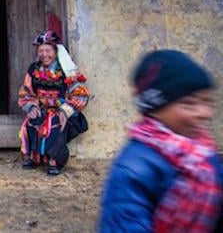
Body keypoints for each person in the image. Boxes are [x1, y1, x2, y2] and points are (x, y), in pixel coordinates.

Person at [99, 50, 223, 232]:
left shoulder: (203, 153)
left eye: (207, 101)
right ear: (155, 108)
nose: (204, 113)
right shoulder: (133, 169)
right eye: (189, 103)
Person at [18, 30, 89, 176]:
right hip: (43, 108)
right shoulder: (34, 69)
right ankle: (35, 157)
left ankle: (55, 160)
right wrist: (31, 106)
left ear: (56, 51)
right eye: (41, 51)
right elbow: (26, 92)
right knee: (32, 121)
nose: (44, 55)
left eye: (48, 50)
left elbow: (81, 95)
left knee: (55, 123)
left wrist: (66, 110)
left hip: (62, 111)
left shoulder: (67, 70)